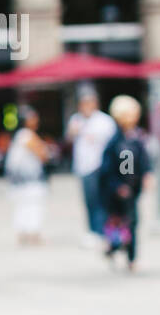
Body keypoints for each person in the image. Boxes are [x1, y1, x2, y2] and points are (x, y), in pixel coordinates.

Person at [98, 95, 154, 271]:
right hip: (117, 193)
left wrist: (146, 174)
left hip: (131, 190)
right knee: (118, 223)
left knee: (133, 222)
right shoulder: (114, 141)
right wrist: (117, 186)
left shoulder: (136, 138)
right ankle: (113, 247)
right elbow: (107, 170)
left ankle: (131, 258)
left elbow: (143, 161)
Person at [65, 90, 117, 247]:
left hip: (99, 166)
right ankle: (93, 231)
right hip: (83, 166)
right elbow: (69, 138)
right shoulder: (76, 119)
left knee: (100, 201)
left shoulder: (104, 121)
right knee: (89, 201)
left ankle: (102, 231)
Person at [5, 105, 49, 245]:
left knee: (23, 207)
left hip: (21, 181)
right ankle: (31, 234)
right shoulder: (26, 135)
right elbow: (42, 154)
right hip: (29, 180)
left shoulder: (20, 136)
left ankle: (24, 233)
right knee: (32, 207)